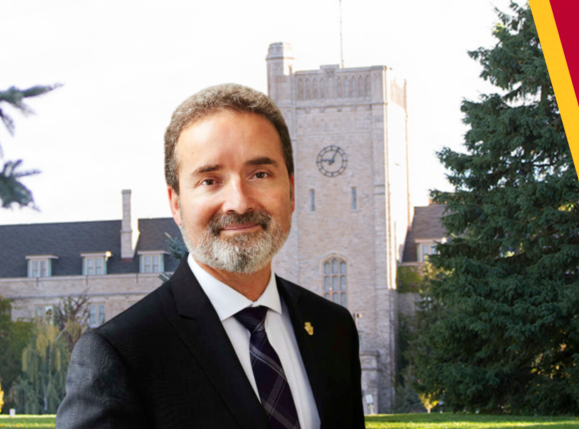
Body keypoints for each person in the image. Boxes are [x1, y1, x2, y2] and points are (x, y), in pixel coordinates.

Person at [56, 84, 363, 429]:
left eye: (260, 174)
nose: (239, 202)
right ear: (176, 203)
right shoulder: (119, 354)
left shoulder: (333, 329)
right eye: (210, 180)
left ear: (291, 191)